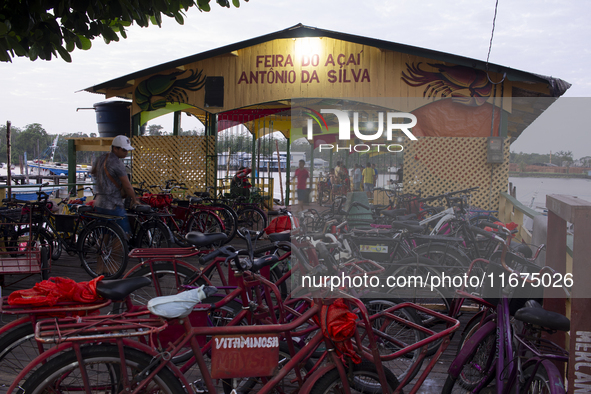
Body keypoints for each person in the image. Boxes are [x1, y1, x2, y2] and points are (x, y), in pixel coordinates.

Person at [91, 135, 140, 274]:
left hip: (99, 202)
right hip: (113, 204)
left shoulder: (101, 159)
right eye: (124, 150)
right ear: (115, 148)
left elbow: (92, 172)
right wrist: (134, 199)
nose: (126, 153)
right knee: (124, 234)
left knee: (105, 236)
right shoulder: (118, 164)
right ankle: (111, 264)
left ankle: (100, 267)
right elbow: (127, 185)